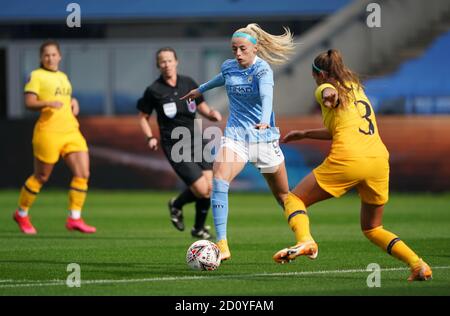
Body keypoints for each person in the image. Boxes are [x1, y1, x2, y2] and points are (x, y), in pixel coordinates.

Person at [273, 49, 432, 281]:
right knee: (373, 228)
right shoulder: (355, 88)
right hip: (378, 161)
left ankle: (305, 240)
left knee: (293, 199)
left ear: (319, 74)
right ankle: (418, 265)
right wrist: (305, 133)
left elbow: (328, 93)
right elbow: (341, 128)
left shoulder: (324, 88)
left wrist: (328, 95)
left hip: (349, 159)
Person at [181, 24, 295, 260]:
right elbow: (220, 78)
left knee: (284, 196)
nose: (238, 54)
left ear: (255, 48)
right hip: (236, 136)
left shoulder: (263, 70)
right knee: (220, 180)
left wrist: (264, 120)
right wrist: (199, 90)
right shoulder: (229, 66)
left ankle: (304, 237)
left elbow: (266, 96)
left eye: (242, 49)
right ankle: (222, 244)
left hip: (263, 139)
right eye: (234, 49)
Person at [137, 47, 222, 239]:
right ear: (158, 65)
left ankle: (198, 228)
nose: (166, 64)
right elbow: (143, 117)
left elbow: (201, 105)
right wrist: (150, 137)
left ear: (176, 61)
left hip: (197, 139)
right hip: (175, 144)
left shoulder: (188, 83)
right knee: (201, 189)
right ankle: (176, 205)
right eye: (162, 62)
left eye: (169, 60)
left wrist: (210, 114)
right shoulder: (154, 90)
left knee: (210, 188)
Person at [13, 40, 96, 234]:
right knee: (41, 176)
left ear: (60, 56)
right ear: (41, 58)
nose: (50, 58)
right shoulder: (36, 76)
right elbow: (29, 102)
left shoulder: (63, 77)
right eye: (46, 55)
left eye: (53, 54)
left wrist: (73, 101)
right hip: (48, 131)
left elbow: (64, 99)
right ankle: (21, 213)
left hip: (71, 130)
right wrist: (48, 102)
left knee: (83, 173)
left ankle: (74, 218)